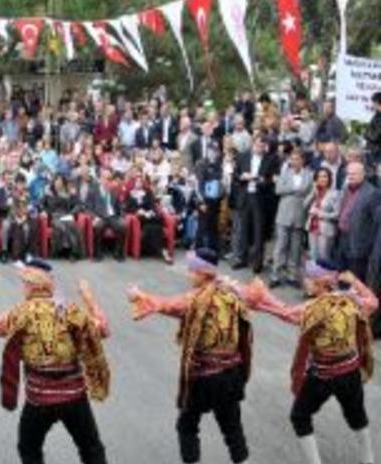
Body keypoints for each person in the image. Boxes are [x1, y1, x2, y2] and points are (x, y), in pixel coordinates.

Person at [0, 260, 111, 464]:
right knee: (91, 448)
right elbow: (103, 330)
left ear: (30, 285)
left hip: (39, 401)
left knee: (29, 449)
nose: (23, 287)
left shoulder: (20, 313)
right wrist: (89, 299)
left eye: (24, 283)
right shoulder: (69, 310)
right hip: (74, 398)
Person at [127, 249, 252, 464]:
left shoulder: (197, 299)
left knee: (186, 427)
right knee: (232, 429)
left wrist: (138, 295)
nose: (189, 275)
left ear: (203, 273)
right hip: (231, 374)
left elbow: (167, 305)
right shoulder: (232, 294)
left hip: (204, 378)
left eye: (192, 271)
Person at [245, 260, 377, 464]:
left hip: (322, 376)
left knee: (299, 416)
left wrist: (261, 301)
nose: (304, 281)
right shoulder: (352, 300)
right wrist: (355, 282)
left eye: (309, 277)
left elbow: (286, 313)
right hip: (350, 372)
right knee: (357, 415)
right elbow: (373, 301)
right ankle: (369, 459)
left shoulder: (313, 309)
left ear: (320, 283)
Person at [231, 137, 278, 274]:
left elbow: (272, 180)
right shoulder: (242, 156)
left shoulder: (271, 159)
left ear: (265, 147)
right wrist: (242, 176)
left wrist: (261, 180)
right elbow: (235, 175)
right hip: (245, 196)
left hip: (260, 197)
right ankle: (242, 259)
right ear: (253, 144)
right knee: (243, 229)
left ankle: (257, 262)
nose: (259, 148)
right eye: (257, 145)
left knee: (258, 232)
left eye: (262, 146)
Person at [270, 149, 312, 288]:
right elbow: (278, 190)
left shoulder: (309, 175)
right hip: (283, 214)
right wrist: (295, 189)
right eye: (292, 159)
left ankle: (292, 276)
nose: (294, 162)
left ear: (302, 161)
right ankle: (275, 275)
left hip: (300, 214)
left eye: (297, 159)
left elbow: (309, 192)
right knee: (280, 246)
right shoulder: (285, 173)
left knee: (295, 248)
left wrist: (291, 190)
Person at [335, 162, 380, 281]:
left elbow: (375, 224)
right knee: (342, 277)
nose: (350, 176)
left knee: (355, 280)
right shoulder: (347, 189)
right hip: (343, 240)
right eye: (349, 173)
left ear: (363, 174)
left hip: (359, 246)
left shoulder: (372, 193)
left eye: (354, 174)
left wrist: (367, 245)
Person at [125, 176, 169, 263]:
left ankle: (161, 250)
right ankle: (163, 250)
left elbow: (152, 205)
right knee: (154, 224)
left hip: (150, 217)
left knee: (150, 227)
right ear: (134, 183)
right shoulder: (130, 194)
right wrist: (137, 211)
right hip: (140, 218)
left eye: (140, 182)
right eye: (137, 181)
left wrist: (150, 211)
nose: (139, 183)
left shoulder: (148, 193)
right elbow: (128, 208)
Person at [43, 174, 83, 260]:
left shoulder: (68, 192)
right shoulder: (49, 193)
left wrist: (72, 212)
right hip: (55, 216)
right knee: (61, 227)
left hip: (66, 215)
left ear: (63, 183)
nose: (58, 183)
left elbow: (78, 205)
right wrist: (44, 212)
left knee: (72, 226)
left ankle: (74, 251)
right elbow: (42, 205)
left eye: (60, 181)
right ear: (54, 182)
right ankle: (63, 250)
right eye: (57, 181)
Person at [304, 168, 339, 263]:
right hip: (312, 228)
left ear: (329, 178)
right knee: (313, 256)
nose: (322, 179)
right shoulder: (315, 192)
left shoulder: (334, 194)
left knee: (324, 258)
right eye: (319, 177)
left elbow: (337, 214)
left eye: (325, 176)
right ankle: (314, 273)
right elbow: (304, 206)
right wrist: (313, 192)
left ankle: (325, 273)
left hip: (326, 230)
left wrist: (320, 214)